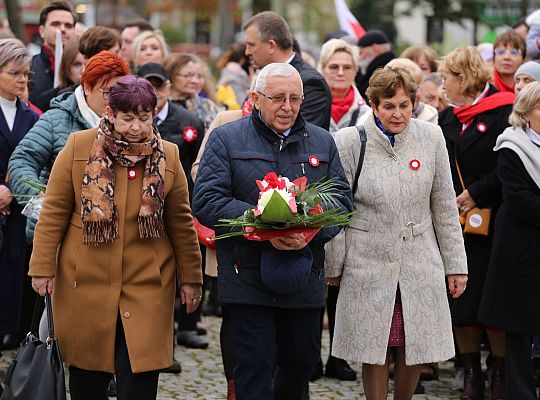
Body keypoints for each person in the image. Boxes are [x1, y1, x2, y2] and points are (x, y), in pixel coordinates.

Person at [28, 75, 202, 400]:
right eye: (127, 118)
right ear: (110, 112)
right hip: (88, 280)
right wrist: (42, 269)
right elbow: (53, 212)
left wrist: (191, 278)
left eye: (144, 118)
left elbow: (180, 222)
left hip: (148, 281)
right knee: (88, 378)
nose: (136, 127)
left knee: (140, 376)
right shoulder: (78, 146)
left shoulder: (169, 155)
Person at [192, 63, 353, 399]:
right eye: (278, 98)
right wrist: (259, 221)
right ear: (255, 98)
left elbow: (341, 202)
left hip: (303, 275)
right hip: (246, 275)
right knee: (255, 365)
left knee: (299, 366)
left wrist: (308, 231)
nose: (288, 106)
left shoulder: (322, 141)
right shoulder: (226, 138)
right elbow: (206, 201)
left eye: (295, 98)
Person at [324, 65, 467, 399]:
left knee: (413, 343)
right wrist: (334, 265)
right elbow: (337, 209)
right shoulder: (349, 142)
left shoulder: (431, 138)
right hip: (367, 257)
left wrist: (455, 265)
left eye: (405, 105)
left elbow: (444, 205)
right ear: (373, 105)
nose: (398, 113)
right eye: (389, 106)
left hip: (419, 257)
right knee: (374, 344)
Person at [438, 46, 515, 400]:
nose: (442, 86)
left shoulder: (503, 109)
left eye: (446, 78)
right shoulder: (449, 118)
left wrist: (478, 193)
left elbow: (510, 165)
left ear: (463, 77)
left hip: (496, 220)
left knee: (494, 300)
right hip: (458, 222)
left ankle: (499, 374)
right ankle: (471, 374)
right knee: (463, 301)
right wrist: (454, 197)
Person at [8, 51, 129, 243]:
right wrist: (41, 202)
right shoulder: (57, 119)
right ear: (87, 87)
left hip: (114, 234)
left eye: (120, 92)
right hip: (62, 235)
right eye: (107, 92)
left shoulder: (128, 123)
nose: (114, 99)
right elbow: (21, 160)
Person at [477, 82, 540, 400]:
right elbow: (519, 200)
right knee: (519, 325)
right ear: (526, 113)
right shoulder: (512, 146)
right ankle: (520, 393)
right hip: (521, 246)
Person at [0, 38, 39, 351]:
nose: (23, 80)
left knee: (13, 284)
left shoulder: (31, 116)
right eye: (15, 73)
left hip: (18, 214)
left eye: (26, 74)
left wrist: (15, 190)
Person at [243, 11, 332, 130]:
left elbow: (302, 137)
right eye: (278, 97)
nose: (247, 52)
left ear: (271, 45)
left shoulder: (311, 83)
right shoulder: (261, 78)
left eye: (251, 45)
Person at [318, 38, 369, 136]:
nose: (340, 73)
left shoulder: (366, 114)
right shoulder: (309, 108)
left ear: (355, 71)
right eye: (334, 67)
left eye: (347, 67)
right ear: (323, 69)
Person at [29, 1, 76, 104]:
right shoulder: (29, 67)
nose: (62, 29)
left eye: (68, 26)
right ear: (42, 31)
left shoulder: (83, 68)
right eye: (55, 24)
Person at [164, 53, 223, 130]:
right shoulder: (161, 105)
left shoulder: (208, 107)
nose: (195, 81)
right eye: (188, 75)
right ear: (171, 75)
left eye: (199, 76)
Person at [34, 36, 85, 112]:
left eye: (88, 64)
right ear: (66, 66)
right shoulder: (46, 100)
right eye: (77, 65)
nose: (84, 70)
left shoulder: (102, 96)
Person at [355, 29, 395, 99]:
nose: (360, 57)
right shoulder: (389, 64)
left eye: (361, 52)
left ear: (375, 48)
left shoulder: (383, 69)